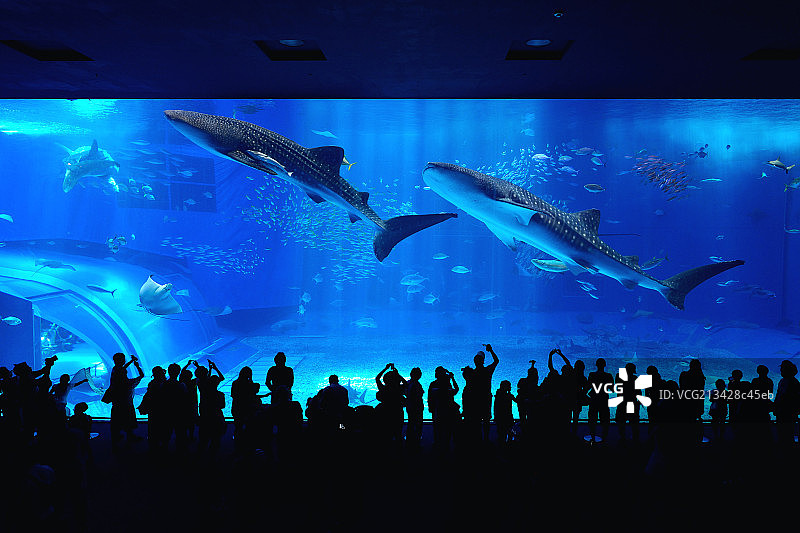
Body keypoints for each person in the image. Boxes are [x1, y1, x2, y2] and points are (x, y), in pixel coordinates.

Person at [109, 353, 144, 446]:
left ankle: (116, 436)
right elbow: (141, 375)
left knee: (117, 418)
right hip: (126, 401)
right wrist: (137, 366)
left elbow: (122, 368)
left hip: (116, 400)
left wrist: (131, 361)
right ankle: (130, 436)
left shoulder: (115, 370)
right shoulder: (127, 382)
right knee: (128, 417)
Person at [428, 366, 459, 453]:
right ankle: (445, 446)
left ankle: (438, 444)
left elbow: (429, 397)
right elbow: (456, 389)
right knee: (446, 429)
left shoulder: (434, 386)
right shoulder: (448, 386)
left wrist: (431, 407)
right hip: (447, 411)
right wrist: (452, 377)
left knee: (438, 428)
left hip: (437, 410)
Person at [472, 344, 499, 441]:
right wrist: (491, 350)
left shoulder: (473, 373)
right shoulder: (487, 370)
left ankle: (479, 440)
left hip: (477, 399)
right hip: (486, 398)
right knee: (486, 420)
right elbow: (496, 361)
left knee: (478, 420)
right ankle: (486, 439)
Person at [375, 363, 407, 443]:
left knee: (386, 434)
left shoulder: (384, 389)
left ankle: (387, 453)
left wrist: (386, 368)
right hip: (398, 413)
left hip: (386, 413)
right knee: (398, 434)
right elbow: (406, 384)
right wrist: (397, 374)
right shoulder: (399, 389)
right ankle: (400, 453)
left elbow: (377, 378)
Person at [772, 360, 800, 446]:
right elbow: (778, 396)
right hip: (782, 412)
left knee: (787, 434)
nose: (781, 371)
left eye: (782, 369)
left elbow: (795, 399)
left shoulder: (794, 383)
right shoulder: (782, 381)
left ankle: (788, 453)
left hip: (788, 412)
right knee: (782, 433)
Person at [587, 358, 613, 442]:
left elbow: (588, 386)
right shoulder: (608, 376)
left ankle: (592, 437)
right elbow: (612, 389)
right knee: (605, 420)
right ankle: (604, 438)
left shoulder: (592, 375)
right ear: (605, 365)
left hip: (594, 400)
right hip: (604, 400)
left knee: (592, 420)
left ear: (596, 365)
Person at [404, 367, 424, 448]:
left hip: (410, 406)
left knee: (411, 423)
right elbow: (417, 395)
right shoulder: (415, 384)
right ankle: (416, 440)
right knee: (417, 424)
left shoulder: (408, 383)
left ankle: (410, 439)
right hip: (416, 406)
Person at [494, 380, 516, 446]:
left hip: (502, 417)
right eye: (509, 386)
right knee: (505, 434)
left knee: (502, 434)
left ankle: (503, 447)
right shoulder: (507, 396)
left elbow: (495, 408)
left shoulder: (499, 395)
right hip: (505, 417)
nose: (510, 387)